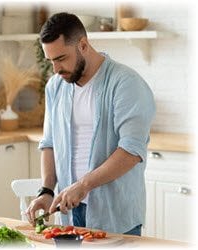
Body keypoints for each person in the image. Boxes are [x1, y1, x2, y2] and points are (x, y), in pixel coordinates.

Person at [26, 12, 156, 236]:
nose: (55, 70)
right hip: (70, 210)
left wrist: (83, 185)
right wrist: (47, 190)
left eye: (61, 59)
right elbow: (49, 143)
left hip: (116, 214)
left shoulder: (126, 83)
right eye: (51, 61)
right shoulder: (55, 86)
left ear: (83, 45)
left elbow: (131, 151)